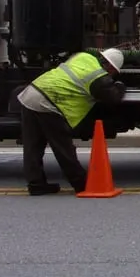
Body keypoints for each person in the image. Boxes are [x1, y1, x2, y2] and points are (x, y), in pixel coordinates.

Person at [17, 48, 127, 196]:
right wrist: (120, 86)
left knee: (33, 147)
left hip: (31, 94)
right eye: (114, 72)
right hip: (49, 103)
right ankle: (81, 184)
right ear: (111, 67)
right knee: (63, 148)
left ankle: (36, 185)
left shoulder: (82, 57)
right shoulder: (98, 78)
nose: (112, 74)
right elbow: (112, 98)